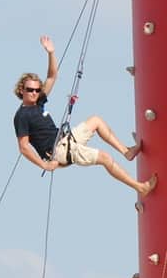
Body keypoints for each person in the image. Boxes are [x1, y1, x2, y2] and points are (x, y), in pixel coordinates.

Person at [14, 35, 155, 195]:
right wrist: (44, 165)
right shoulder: (22, 116)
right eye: (30, 90)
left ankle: (126, 152)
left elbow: (52, 76)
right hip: (58, 151)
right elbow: (24, 147)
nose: (34, 93)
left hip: (65, 138)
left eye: (37, 90)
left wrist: (51, 53)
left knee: (96, 120)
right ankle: (140, 187)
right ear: (21, 91)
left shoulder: (38, 102)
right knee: (105, 158)